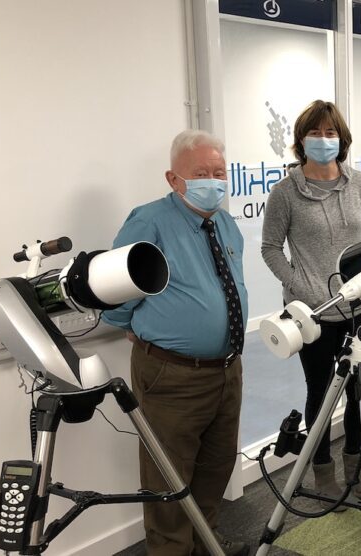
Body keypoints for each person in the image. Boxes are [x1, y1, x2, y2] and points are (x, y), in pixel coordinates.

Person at [102, 130, 249, 556]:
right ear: (173, 179)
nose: (213, 181)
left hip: (226, 370)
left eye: (219, 172)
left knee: (216, 467)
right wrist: (142, 330)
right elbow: (115, 294)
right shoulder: (149, 221)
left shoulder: (225, 222)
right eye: (200, 173)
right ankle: (171, 551)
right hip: (172, 374)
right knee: (168, 480)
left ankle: (205, 545)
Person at [261, 100, 361, 505]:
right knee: (321, 392)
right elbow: (270, 248)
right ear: (301, 140)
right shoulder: (285, 192)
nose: (323, 140)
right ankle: (322, 473)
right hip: (311, 315)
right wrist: (301, 284)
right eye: (315, 133)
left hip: (357, 307)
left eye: (331, 133)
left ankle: (355, 469)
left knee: (360, 392)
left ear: (342, 139)